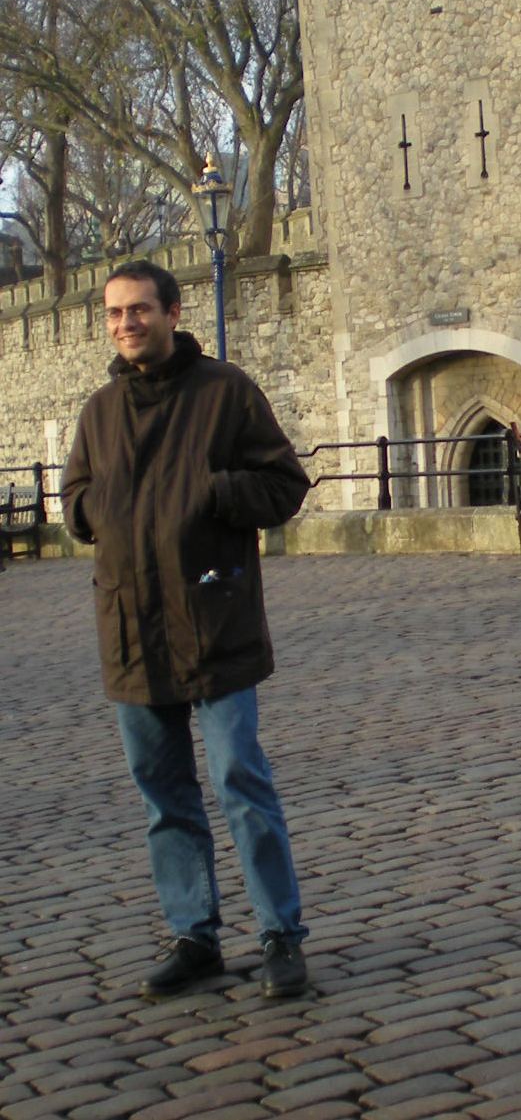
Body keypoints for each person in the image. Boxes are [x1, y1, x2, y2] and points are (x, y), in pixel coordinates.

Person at [61, 259, 310, 1001]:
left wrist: (212, 493)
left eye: (139, 309)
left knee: (240, 780)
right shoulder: (100, 411)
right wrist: (94, 511)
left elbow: (284, 484)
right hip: (131, 629)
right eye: (114, 313)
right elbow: (75, 495)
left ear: (172, 312)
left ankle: (279, 934)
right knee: (163, 795)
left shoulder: (225, 392)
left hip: (212, 619)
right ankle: (193, 934)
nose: (126, 323)